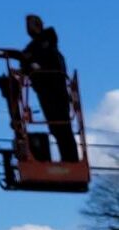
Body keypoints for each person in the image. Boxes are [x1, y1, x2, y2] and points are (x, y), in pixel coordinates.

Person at [20, 15, 79, 164]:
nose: (28, 28)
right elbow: (24, 61)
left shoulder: (47, 40)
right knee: (55, 127)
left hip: (56, 90)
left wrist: (34, 63)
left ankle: (71, 160)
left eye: (31, 24)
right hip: (44, 91)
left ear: (38, 25)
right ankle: (67, 159)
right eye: (27, 25)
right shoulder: (33, 47)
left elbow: (40, 52)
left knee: (62, 125)